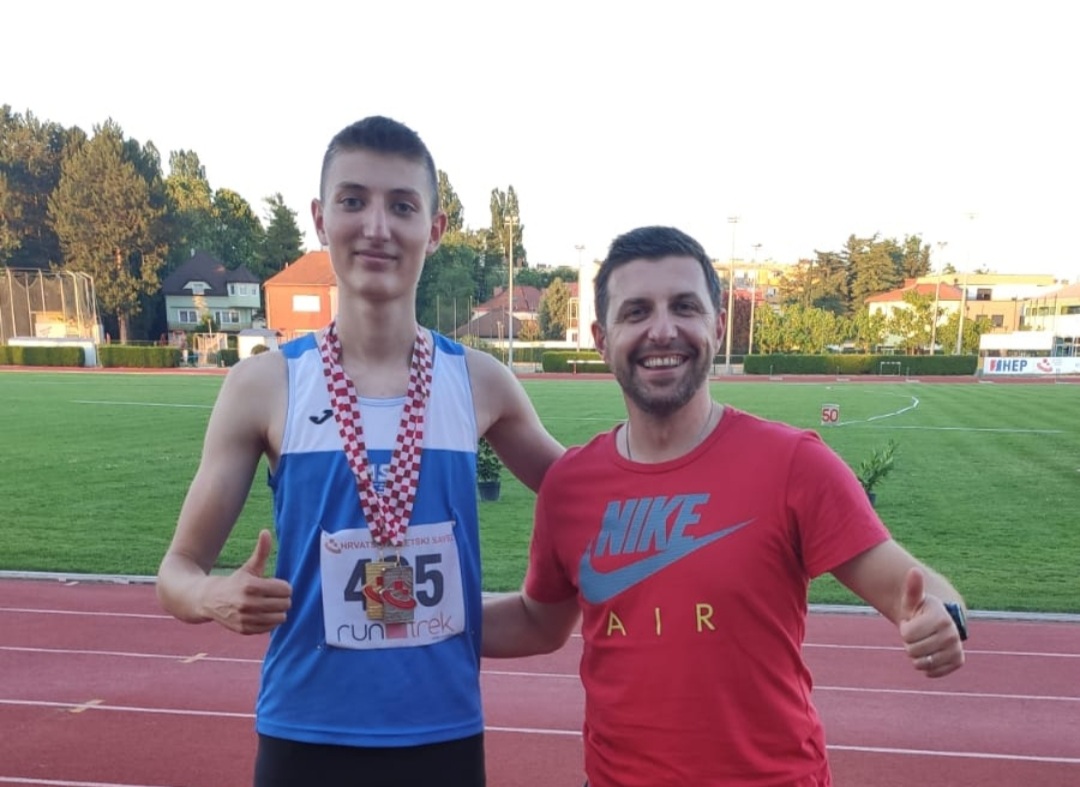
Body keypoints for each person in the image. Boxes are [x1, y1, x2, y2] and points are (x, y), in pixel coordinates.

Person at [482, 225, 968, 787]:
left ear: (716, 325)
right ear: (601, 338)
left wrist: (941, 618)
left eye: (684, 307)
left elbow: (917, 590)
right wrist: (428, 623)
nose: (662, 330)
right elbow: (538, 622)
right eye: (636, 312)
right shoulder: (570, 485)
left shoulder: (793, 463)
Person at [157, 116, 563, 787]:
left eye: (402, 206)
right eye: (353, 201)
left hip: (442, 734)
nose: (377, 227)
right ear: (321, 219)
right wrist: (211, 594)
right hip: (304, 734)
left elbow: (583, 492)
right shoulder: (264, 385)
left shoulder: (480, 382)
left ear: (435, 228)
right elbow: (176, 569)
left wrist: (560, 598)